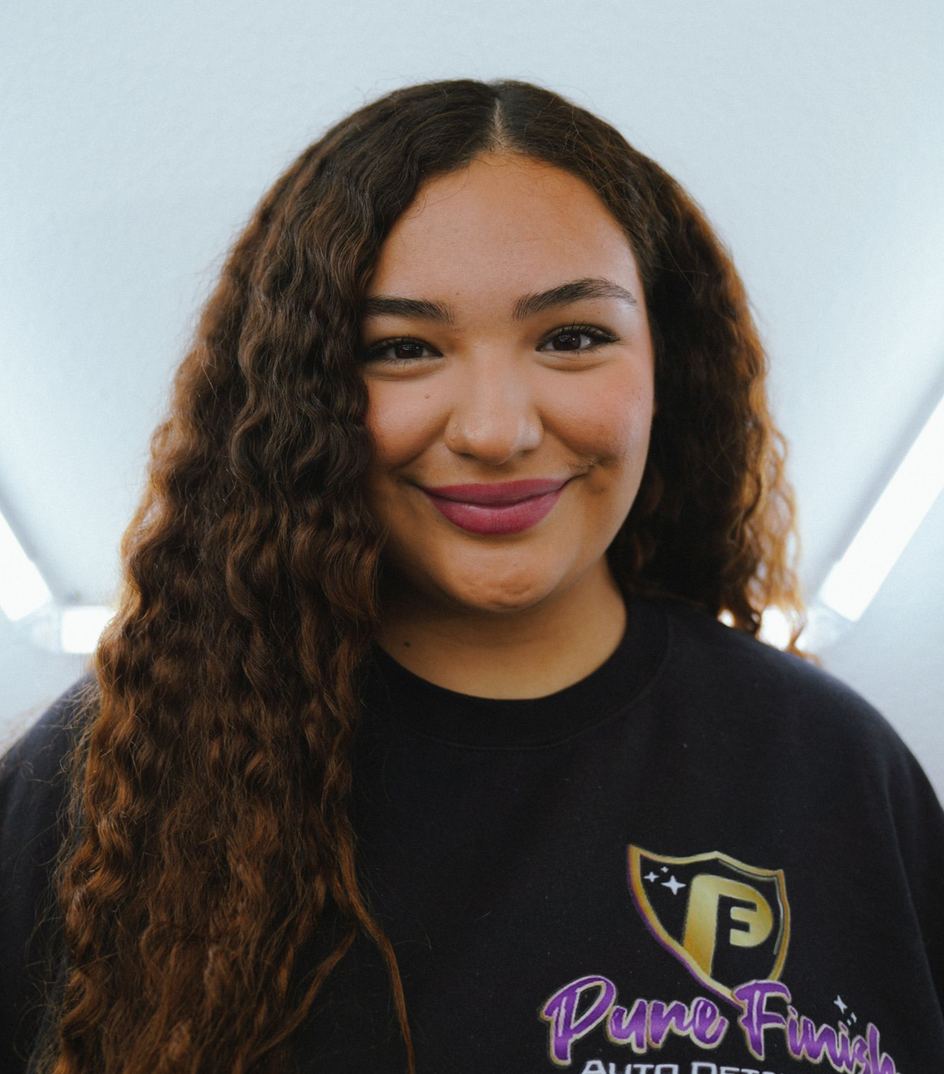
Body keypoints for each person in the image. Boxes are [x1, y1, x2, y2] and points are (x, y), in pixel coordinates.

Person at [1, 77, 942, 1074]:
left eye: (571, 337)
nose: (495, 430)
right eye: (402, 349)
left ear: (666, 361)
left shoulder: (835, 773)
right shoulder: (111, 784)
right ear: (302, 394)